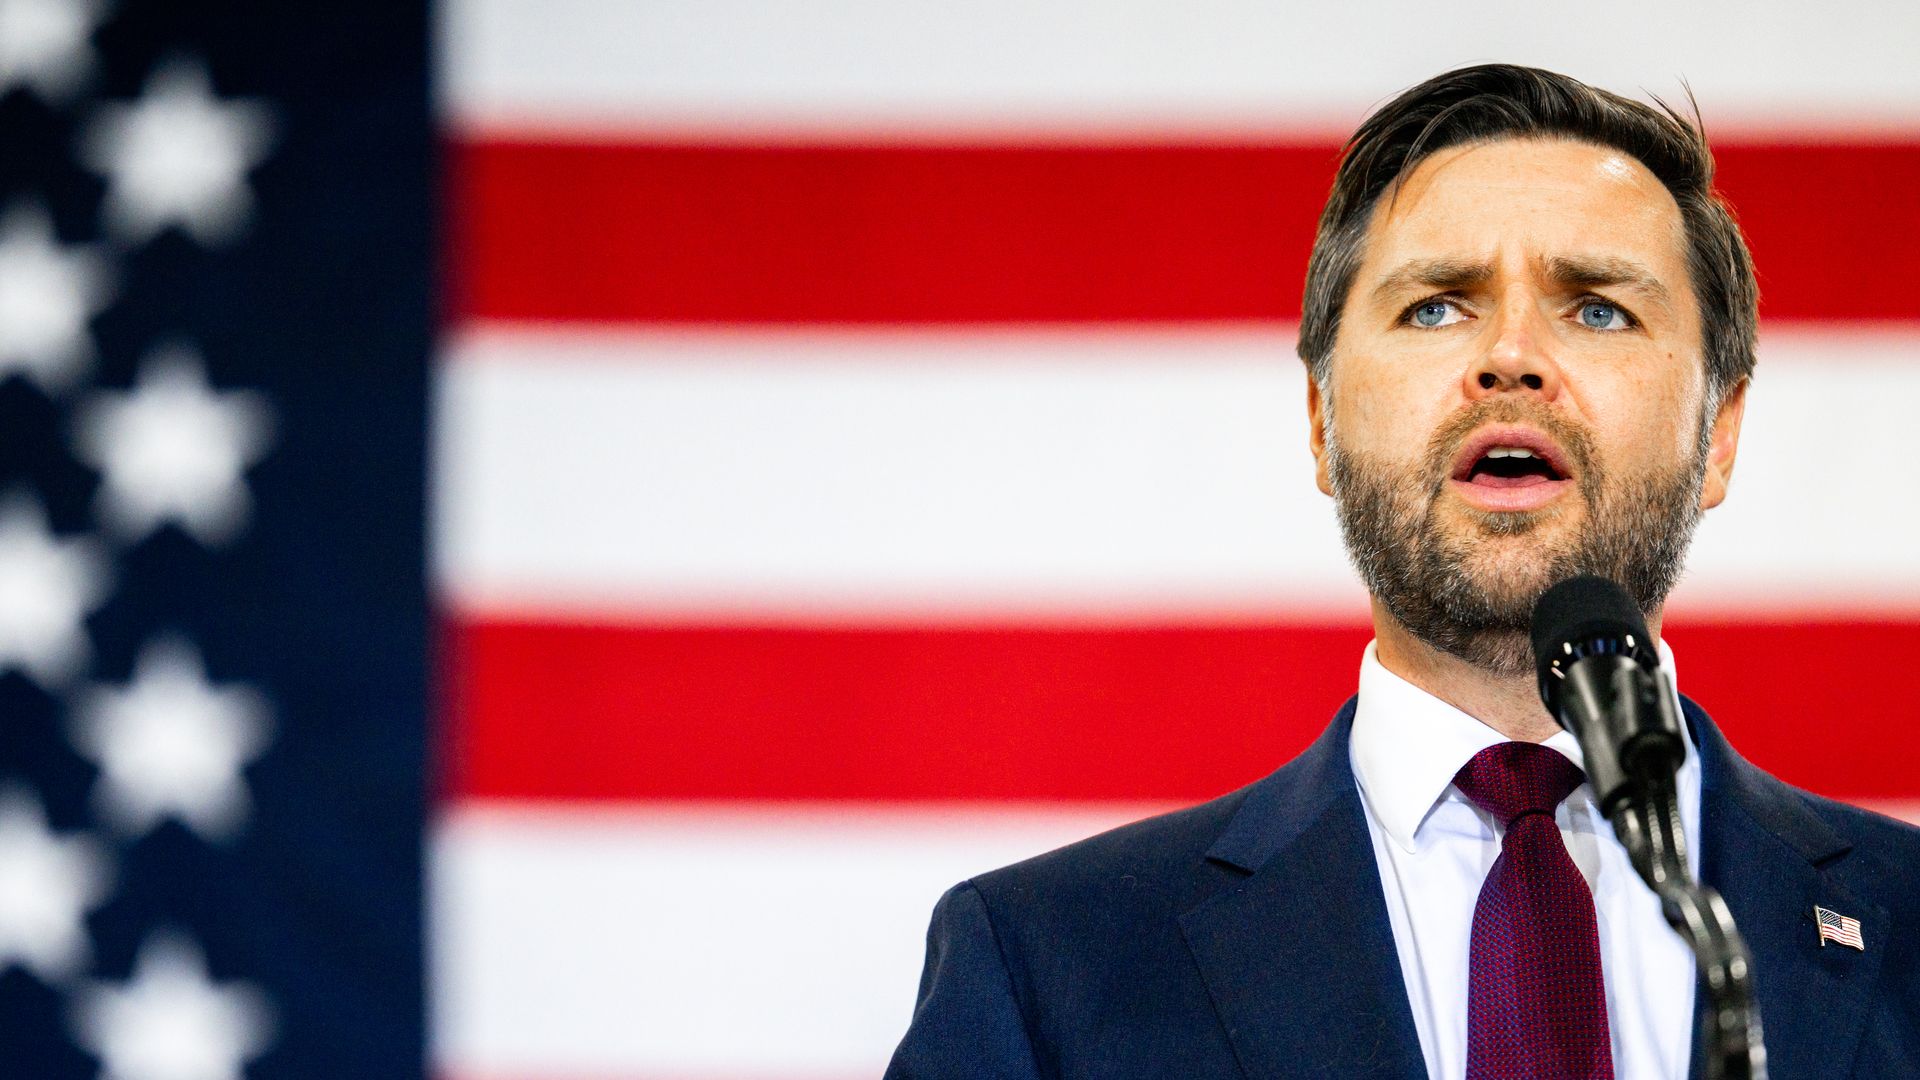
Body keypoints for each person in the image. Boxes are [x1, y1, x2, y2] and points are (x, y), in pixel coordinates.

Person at [884, 64, 1920, 1079]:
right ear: (1322, 420)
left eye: (1599, 308)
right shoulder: (1045, 967)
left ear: (1720, 432)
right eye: (1436, 307)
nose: (1511, 356)